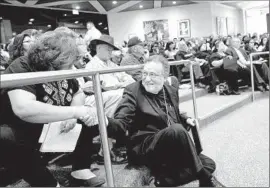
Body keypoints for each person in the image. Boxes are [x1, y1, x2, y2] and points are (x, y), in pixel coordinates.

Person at [0, 29, 105, 187]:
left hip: (52, 123)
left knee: (94, 118)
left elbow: (77, 92)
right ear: (55, 55)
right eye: (70, 58)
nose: (73, 64)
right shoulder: (23, 65)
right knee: (5, 137)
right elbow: (24, 108)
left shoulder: (63, 68)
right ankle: (46, 182)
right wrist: (73, 112)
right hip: (20, 125)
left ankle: (80, 169)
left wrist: (72, 116)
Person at [105, 55, 224, 187]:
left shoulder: (170, 90)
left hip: (170, 145)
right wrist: (107, 122)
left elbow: (172, 114)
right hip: (145, 146)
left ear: (164, 76)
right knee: (178, 130)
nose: (147, 79)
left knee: (209, 163)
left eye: (153, 75)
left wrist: (186, 119)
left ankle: (163, 181)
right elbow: (121, 123)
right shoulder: (132, 91)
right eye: (145, 73)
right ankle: (206, 179)